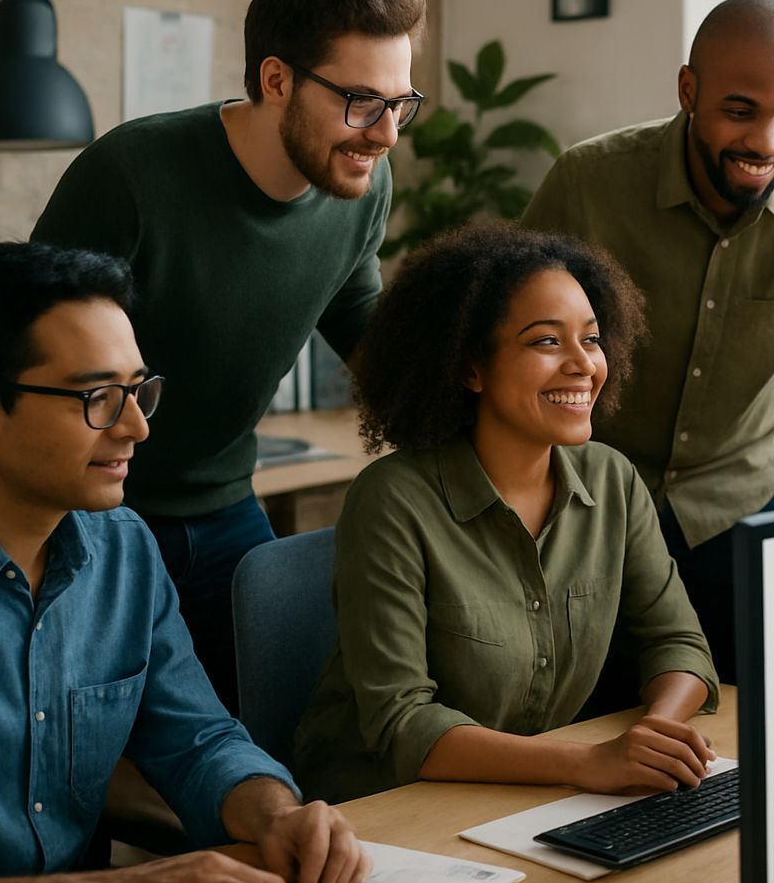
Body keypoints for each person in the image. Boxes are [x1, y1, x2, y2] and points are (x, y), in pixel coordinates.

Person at [0, 242, 369, 883]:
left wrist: (277, 814)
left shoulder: (122, 548)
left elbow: (199, 740)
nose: (136, 428)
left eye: (137, 391)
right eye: (96, 397)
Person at [31, 0, 427, 711]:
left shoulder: (361, 185)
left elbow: (359, 315)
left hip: (223, 506)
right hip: (89, 510)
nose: (385, 134)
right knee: (83, 748)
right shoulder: (130, 175)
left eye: (400, 104)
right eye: (360, 102)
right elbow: (28, 347)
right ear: (276, 80)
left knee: (272, 728)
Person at [521, 0, 774, 685]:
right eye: (740, 111)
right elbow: (512, 348)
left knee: (742, 721)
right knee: (583, 718)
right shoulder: (588, 183)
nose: (767, 143)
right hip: (582, 509)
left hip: (736, 511)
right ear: (688, 91)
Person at [293, 223, 719, 804]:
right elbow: (403, 721)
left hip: (528, 794)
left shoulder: (612, 481)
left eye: (591, 339)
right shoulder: (393, 500)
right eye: (546, 342)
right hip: (386, 803)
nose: (583, 364)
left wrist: (656, 735)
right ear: (470, 367)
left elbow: (679, 643)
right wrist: (588, 763)